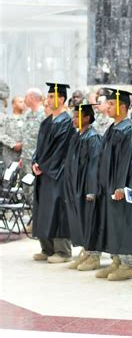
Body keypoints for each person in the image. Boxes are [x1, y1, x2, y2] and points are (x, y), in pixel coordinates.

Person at [93, 88, 132, 281]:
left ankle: (128, 264)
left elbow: (128, 161)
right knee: (112, 223)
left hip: (120, 186)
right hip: (108, 185)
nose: (107, 107)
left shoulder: (129, 129)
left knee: (123, 223)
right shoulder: (112, 127)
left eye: (111, 104)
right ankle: (116, 260)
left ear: (122, 107)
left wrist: (121, 186)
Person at [32, 82, 75, 263]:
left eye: (51, 96)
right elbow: (39, 148)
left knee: (57, 210)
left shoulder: (67, 123)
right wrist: (35, 161)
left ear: (62, 99)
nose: (48, 100)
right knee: (42, 209)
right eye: (48, 96)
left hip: (58, 174)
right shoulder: (46, 122)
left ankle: (62, 251)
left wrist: (44, 166)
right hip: (43, 173)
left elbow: (61, 151)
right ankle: (47, 248)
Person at [63, 104, 102, 271]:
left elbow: (95, 166)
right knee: (80, 220)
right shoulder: (77, 136)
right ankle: (85, 251)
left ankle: (94, 256)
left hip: (86, 186)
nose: (74, 119)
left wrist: (92, 190)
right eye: (73, 116)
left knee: (90, 220)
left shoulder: (93, 138)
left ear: (87, 118)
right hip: (75, 186)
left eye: (78, 116)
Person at [0, 96, 26, 169]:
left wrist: (22, 144)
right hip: (9, 154)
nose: (23, 104)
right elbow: (1, 134)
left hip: (24, 154)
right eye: (20, 102)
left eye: (24, 102)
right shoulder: (5, 119)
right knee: (8, 176)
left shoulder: (28, 119)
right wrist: (13, 144)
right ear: (14, 104)